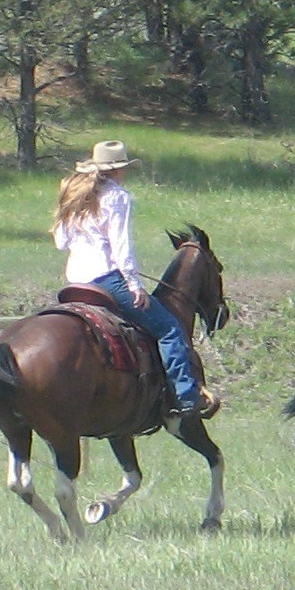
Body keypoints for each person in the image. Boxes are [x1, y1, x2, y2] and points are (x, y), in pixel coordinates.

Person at [52, 140, 215, 418]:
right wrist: (134, 284)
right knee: (169, 328)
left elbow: (60, 240)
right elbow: (121, 246)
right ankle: (186, 396)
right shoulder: (117, 197)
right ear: (118, 170)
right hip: (106, 279)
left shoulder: (79, 195)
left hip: (76, 282)